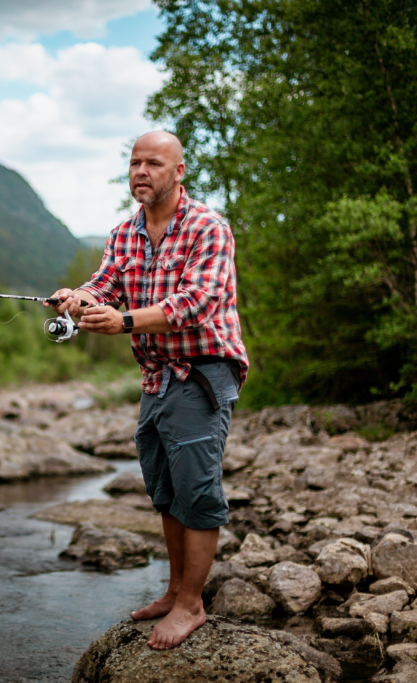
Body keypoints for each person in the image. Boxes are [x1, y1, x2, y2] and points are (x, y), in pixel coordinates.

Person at [46, 131, 248, 650]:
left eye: (154, 163)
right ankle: (176, 591)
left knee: (197, 491)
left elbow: (197, 302)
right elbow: (105, 284)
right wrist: (77, 296)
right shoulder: (125, 232)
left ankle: (191, 605)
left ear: (179, 172)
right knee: (166, 490)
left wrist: (126, 321)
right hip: (156, 376)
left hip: (202, 371)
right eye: (135, 162)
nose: (141, 171)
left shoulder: (208, 227)